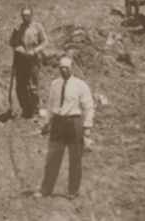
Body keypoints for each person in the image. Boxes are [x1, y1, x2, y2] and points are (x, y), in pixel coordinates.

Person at [38, 57, 95, 199]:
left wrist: (87, 126)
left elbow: (89, 107)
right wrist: (46, 122)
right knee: (52, 158)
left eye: (66, 67)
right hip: (58, 123)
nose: (63, 70)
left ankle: (72, 191)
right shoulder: (55, 84)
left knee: (75, 158)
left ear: (72, 68)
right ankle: (46, 190)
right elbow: (50, 106)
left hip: (74, 122)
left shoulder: (80, 85)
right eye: (61, 67)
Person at [10, 7, 48, 120]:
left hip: (33, 59)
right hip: (21, 60)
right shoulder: (18, 28)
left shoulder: (37, 27)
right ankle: (25, 109)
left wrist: (35, 50)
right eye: (23, 15)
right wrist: (18, 48)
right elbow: (12, 42)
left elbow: (45, 41)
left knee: (33, 86)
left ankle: (35, 109)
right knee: (20, 85)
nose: (25, 17)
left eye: (27, 15)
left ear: (31, 15)